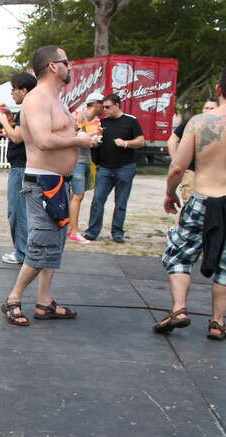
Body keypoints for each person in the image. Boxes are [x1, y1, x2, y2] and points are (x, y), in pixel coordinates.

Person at [1, 45, 98, 326]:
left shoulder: (57, 99)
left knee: (54, 244)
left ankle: (44, 302)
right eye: (66, 62)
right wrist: (79, 141)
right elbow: (43, 140)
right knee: (41, 245)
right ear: (54, 66)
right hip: (43, 182)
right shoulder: (38, 99)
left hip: (57, 181)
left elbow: (60, 133)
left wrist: (82, 133)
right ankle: (13, 299)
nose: (70, 66)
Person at [154, 71, 226, 341]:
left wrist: (170, 193)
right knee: (225, 265)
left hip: (203, 198)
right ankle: (217, 322)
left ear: (218, 88)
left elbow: (178, 167)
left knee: (180, 254)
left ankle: (179, 309)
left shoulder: (199, 122)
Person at [83, 93, 145, 243]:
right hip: (104, 167)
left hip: (125, 167)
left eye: (108, 107)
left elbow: (141, 141)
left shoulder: (131, 121)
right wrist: (95, 142)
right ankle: (92, 231)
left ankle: (117, 232)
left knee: (121, 202)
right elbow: (97, 141)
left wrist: (126, 143)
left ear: (117, 105)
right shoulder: (102, 122)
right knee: (97, 200)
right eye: (103, 107)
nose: (105, 110)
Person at [0, 72, 37, 265]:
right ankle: (27, 250)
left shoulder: (28, 109)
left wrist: (3, 120)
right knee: (25, 212)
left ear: (23, 90)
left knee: (17, 212)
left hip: (21, 167)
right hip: (26, 165)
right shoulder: (33, 107)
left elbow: (17, 137)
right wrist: (11, 117)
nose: (12, 94)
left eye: (14, 90)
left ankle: (22, 253)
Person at [67, 92, 104, 243]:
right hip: (76, 161)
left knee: (74, 196)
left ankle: (68, 228)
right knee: (78, 195)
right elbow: (71, 136)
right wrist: (91, 136)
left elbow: (92, 143)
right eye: (102, 104)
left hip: (86, 160)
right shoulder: (77, 116)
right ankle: (73, 231)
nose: (104, 107)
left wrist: (95, 139)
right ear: (95, 104)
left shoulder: (95, 121)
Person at [167, 98, 219, 205]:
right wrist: (177, 161)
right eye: (206, 108)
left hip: (214, 175)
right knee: (188, 204)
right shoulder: (193, 122)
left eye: (211, 108)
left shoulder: (220, 126)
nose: (207, 110)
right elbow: (172, 141)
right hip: (191, 172)